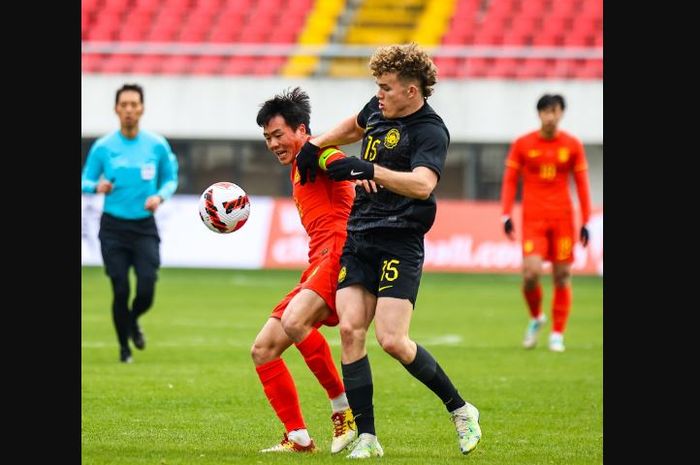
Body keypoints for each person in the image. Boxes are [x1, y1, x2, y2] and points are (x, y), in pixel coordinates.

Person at [294, 43, 482, 458]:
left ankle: (461, 409)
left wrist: (367, 169)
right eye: (377, 87)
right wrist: (317, 144)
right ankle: (368, 437)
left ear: (411, 91)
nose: (378, 94)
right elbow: (354, 125)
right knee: (349, 330)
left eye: (386, 87)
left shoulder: (431, 131)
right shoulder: (380, 108)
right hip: (360, 235)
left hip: (400, 238)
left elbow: (423, 185)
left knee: (393, 340)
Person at [252, 87, 357, 454]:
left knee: (296, 322)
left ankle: (344, 410)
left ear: (301, 130)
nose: (273, 143)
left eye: (278, 135)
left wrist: (363, 175)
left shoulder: (317, 154)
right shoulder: (298, 166)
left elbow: (339, 163)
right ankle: (297, 436)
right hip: (317, 260)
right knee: (263, 349)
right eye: (267, 138)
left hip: (338, 253)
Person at [81, 83, 178, 363]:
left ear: (142, 109)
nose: (129, 110)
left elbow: (170, 178)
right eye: (124, 105)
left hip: (144, 227)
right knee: (121, 288)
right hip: (113, 228)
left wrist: (159, 197)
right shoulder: (103, 147)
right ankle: (124, 349)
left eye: (134, 105)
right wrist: (95, 186)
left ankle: (133, 319)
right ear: (116, 109)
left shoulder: (156, 145)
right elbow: (85, 179)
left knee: (146, 288)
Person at [499, 93, 592, 353]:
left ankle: (557, 334)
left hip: (563, 218)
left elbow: (582, 185)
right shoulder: (523, 144)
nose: (550, 116)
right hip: (533, 219)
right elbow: (509, 180)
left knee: (562, 275)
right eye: (546, 111)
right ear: (539, 114)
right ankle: (537, 316)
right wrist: (505, 214)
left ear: (561, 113)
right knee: (530, 274)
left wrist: (586, 219)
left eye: (555, 111)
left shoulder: (572, 145)